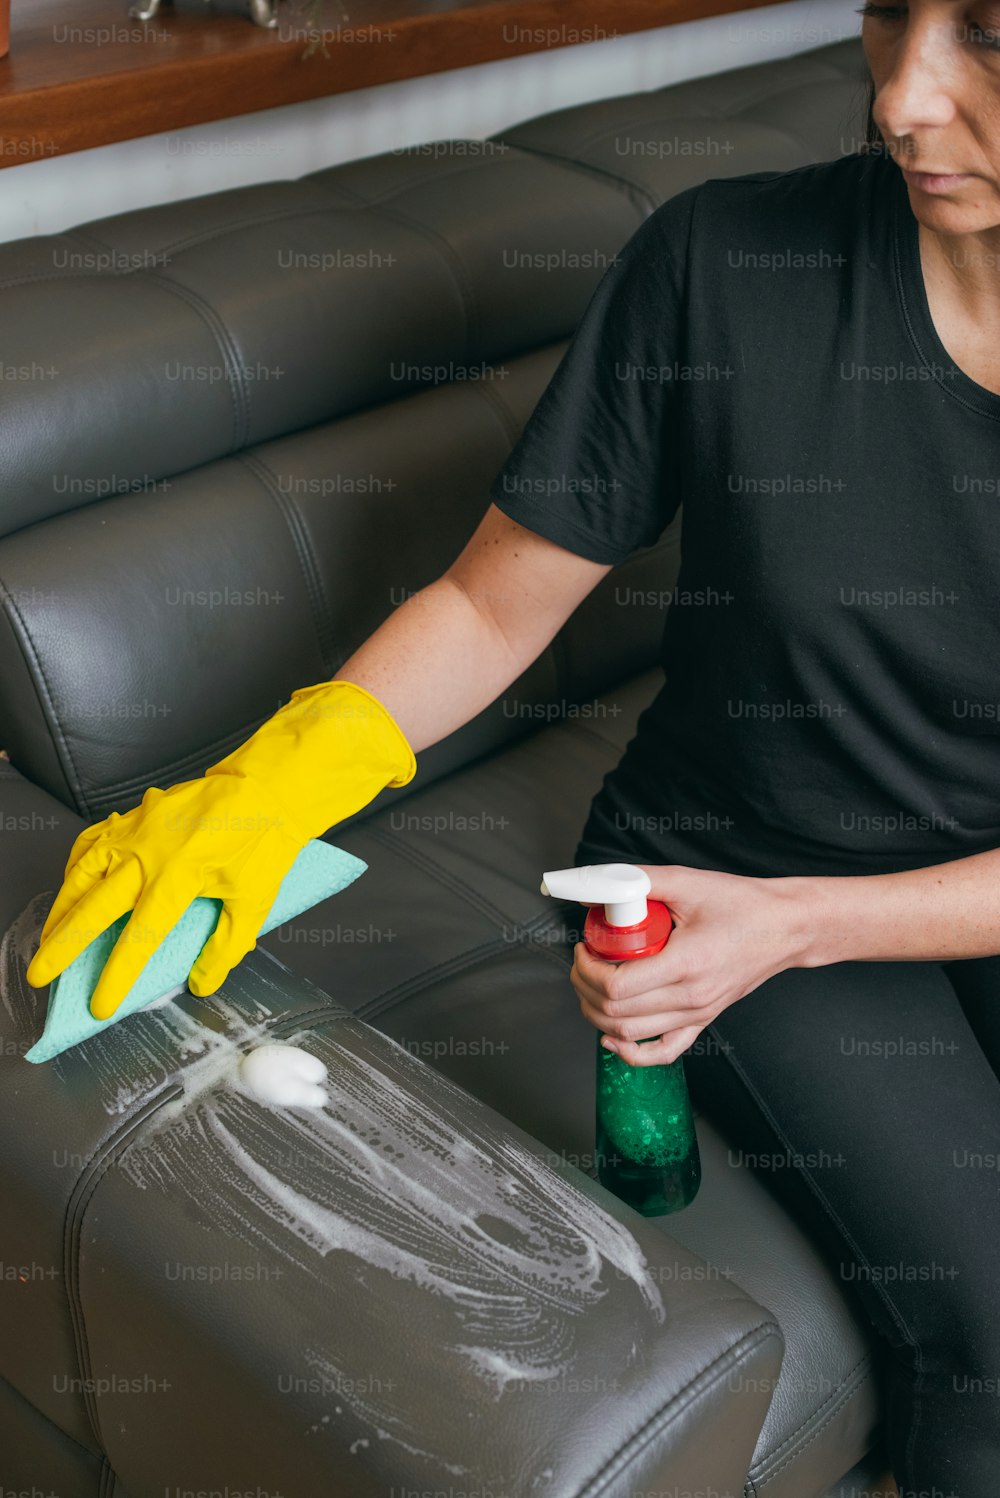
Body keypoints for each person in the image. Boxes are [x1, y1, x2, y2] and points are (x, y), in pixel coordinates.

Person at [25, 3, 1000, 1492]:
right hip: (728, 858)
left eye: (990, 35)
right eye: (888, 17)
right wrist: (274, 782)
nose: (905, 100)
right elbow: (495, 598)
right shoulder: (731, 266)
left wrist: (811, 928)